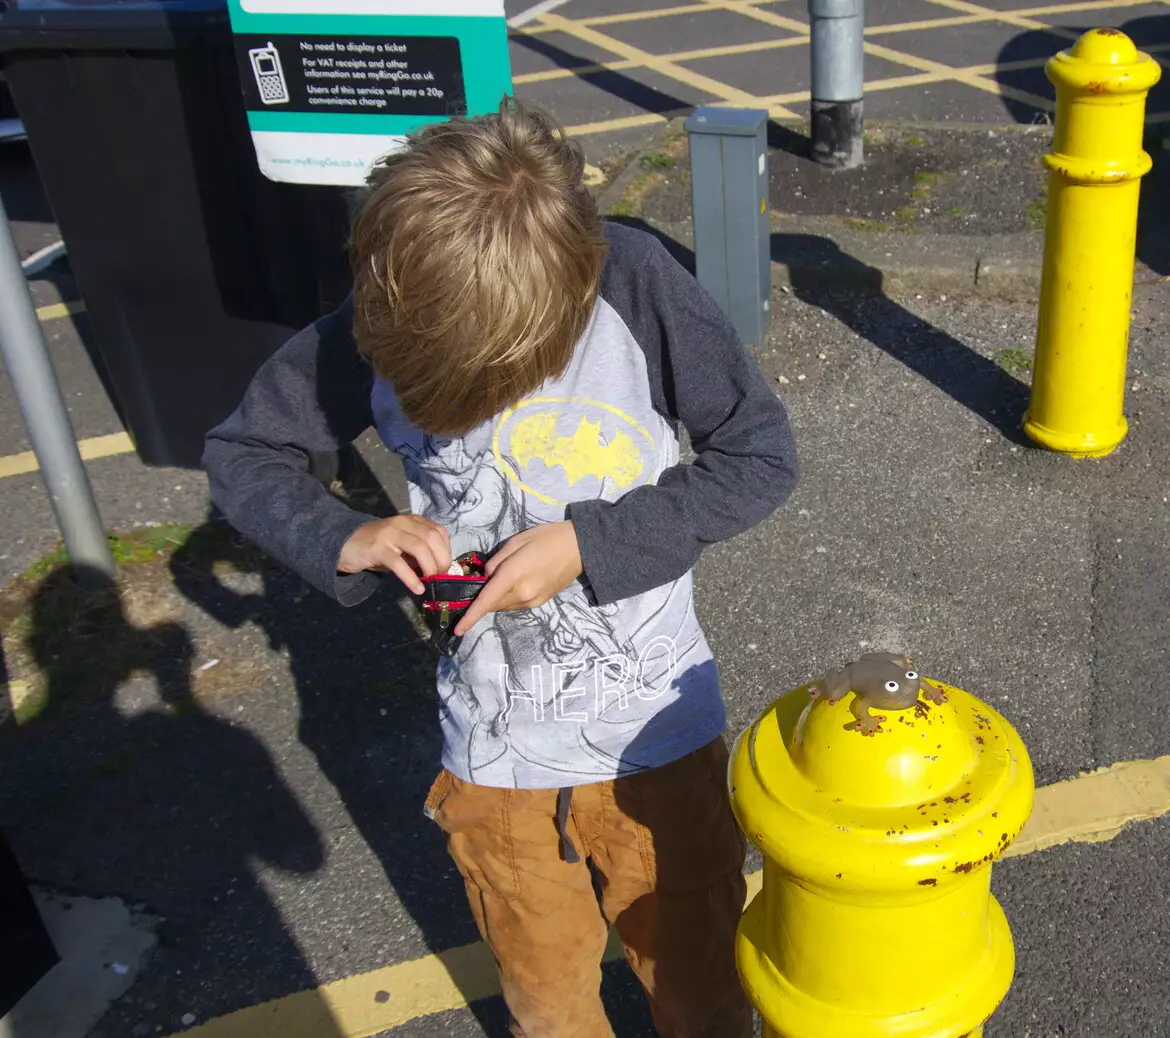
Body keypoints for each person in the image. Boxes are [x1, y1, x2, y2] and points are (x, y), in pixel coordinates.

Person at [201, 96, 799, 1038]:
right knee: (545, 998)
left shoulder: (634, 286)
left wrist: (588, 544)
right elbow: (244, 453)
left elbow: (758, 458)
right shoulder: (397, 305)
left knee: (700, 987)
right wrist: (343, 535)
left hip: (658, 737)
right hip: (495, 756)